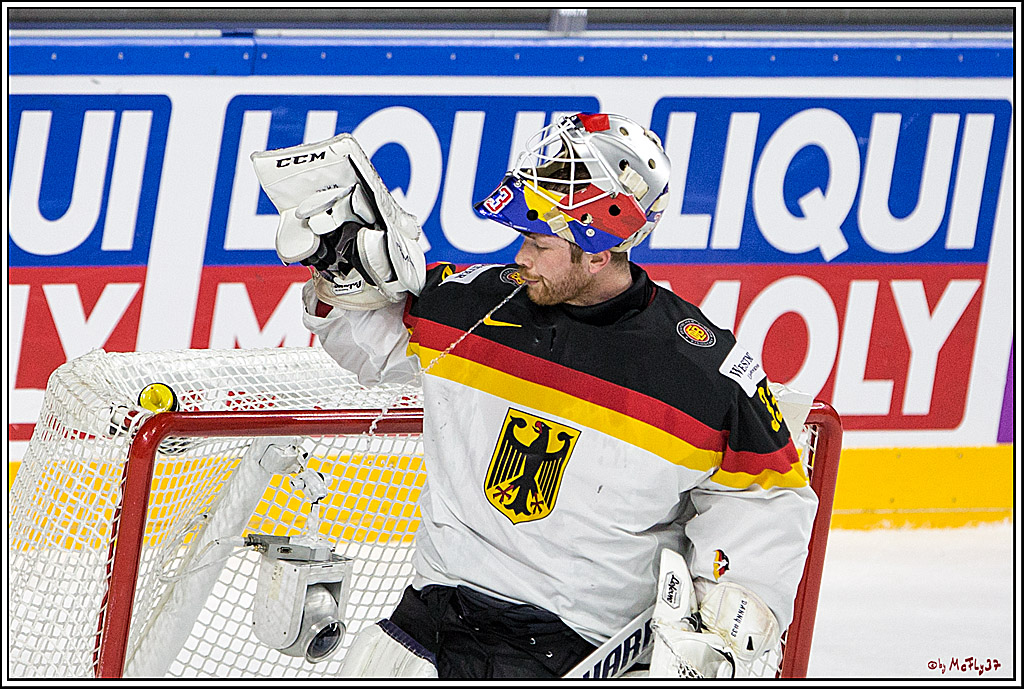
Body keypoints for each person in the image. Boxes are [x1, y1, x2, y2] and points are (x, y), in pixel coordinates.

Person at [252, 113, 818, 679]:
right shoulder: (476, 305)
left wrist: (739, 592)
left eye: (541, 242)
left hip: (577, 648)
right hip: (430, 620)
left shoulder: (703, 371)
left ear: (599, 252)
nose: (520, 256)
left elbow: (768, 496)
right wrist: (339, 276)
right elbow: (370, 345)